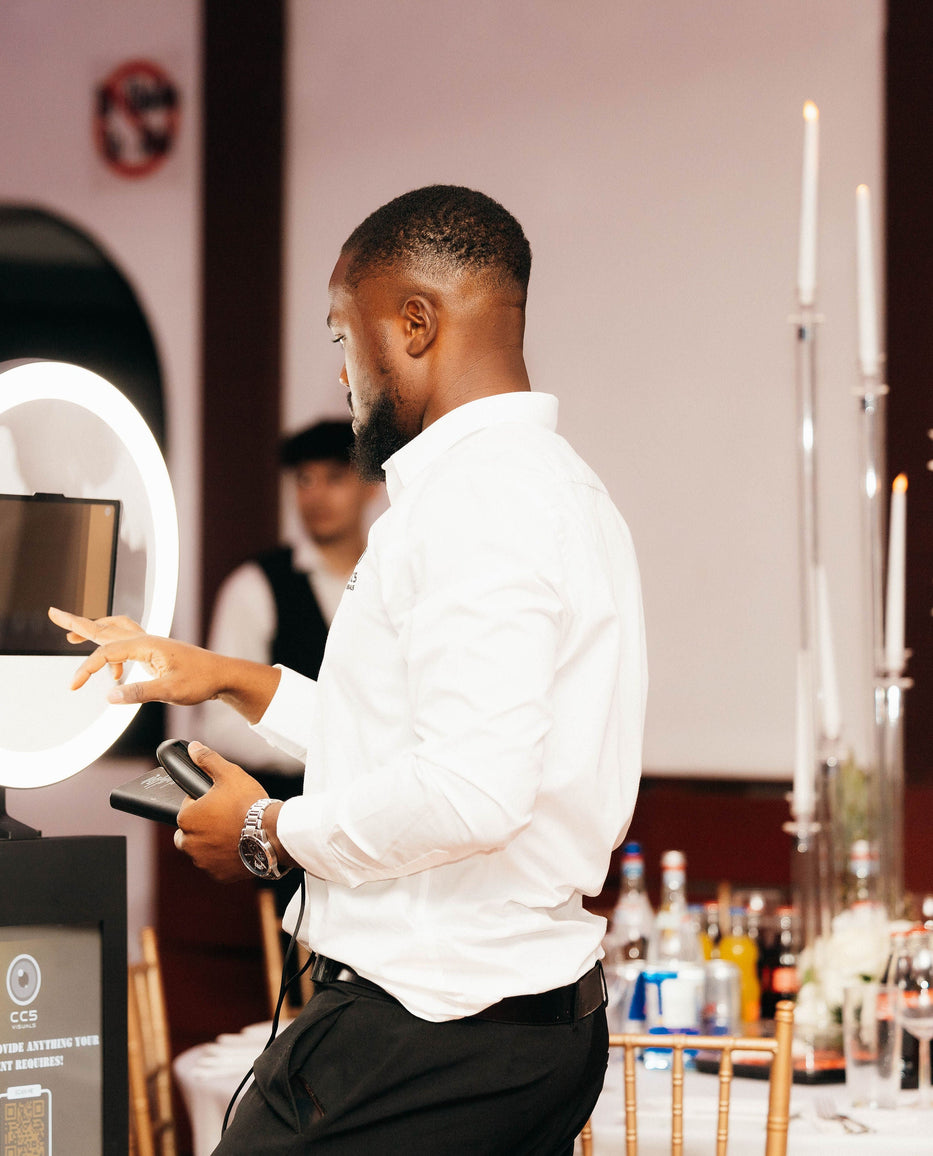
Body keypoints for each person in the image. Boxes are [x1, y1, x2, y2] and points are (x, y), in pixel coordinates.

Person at [52, 184, 646, 1153]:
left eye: (341, 336)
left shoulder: (474, 500)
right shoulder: (559, 489)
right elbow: (416, 737)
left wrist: (265, 829)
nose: (340, 373)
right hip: (521, 1021)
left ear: (412, 323)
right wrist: (227, 678)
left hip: (427, 1029)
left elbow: (469, 788)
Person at [193, 420, 380, 803]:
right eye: (304, 480)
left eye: (334, 478)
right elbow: (221, 725)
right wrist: (331, 750)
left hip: (383, 812)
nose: (316, 496)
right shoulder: (255, 587)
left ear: (371, 486)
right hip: (285, 821)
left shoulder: (392, 577)